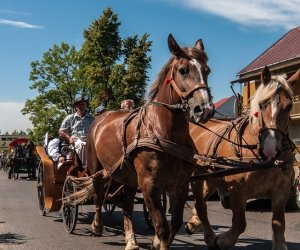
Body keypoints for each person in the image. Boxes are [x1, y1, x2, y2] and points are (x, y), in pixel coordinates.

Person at [58, 97, 94, 168]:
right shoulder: (70, 118)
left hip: (89, 141)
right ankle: (86, 168)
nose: (82, 106)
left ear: (86, 105)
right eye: (79, 105)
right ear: (76, 106)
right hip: (75, 141)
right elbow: (61, 131)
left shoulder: (91, 118)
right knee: (82, 145)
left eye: (83, 104)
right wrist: (69, 138)